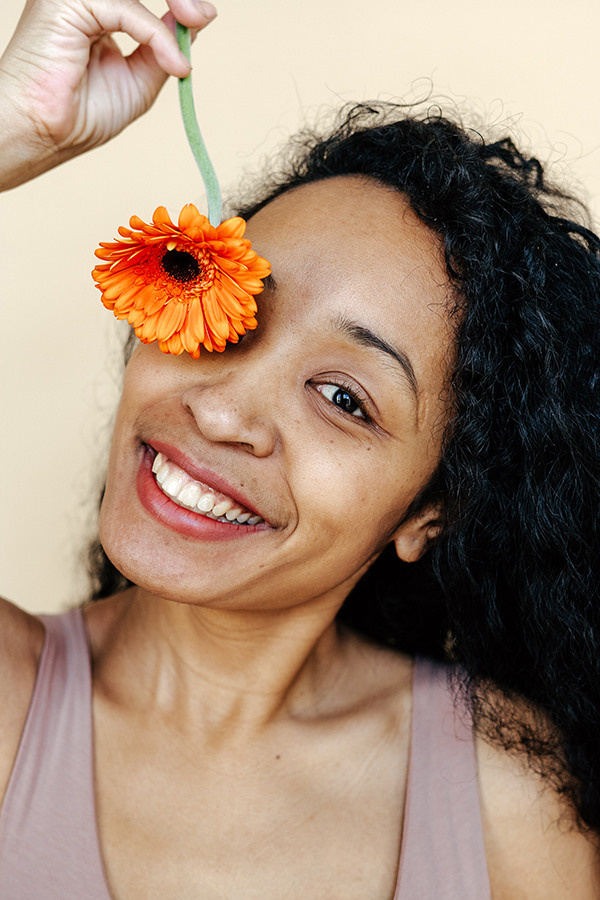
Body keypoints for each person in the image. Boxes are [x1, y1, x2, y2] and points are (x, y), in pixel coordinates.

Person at [1, 1, 599, 897]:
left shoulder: (505, 802)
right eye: (230, 308)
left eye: (344, 398)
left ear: (431, 509)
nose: (224, 411)